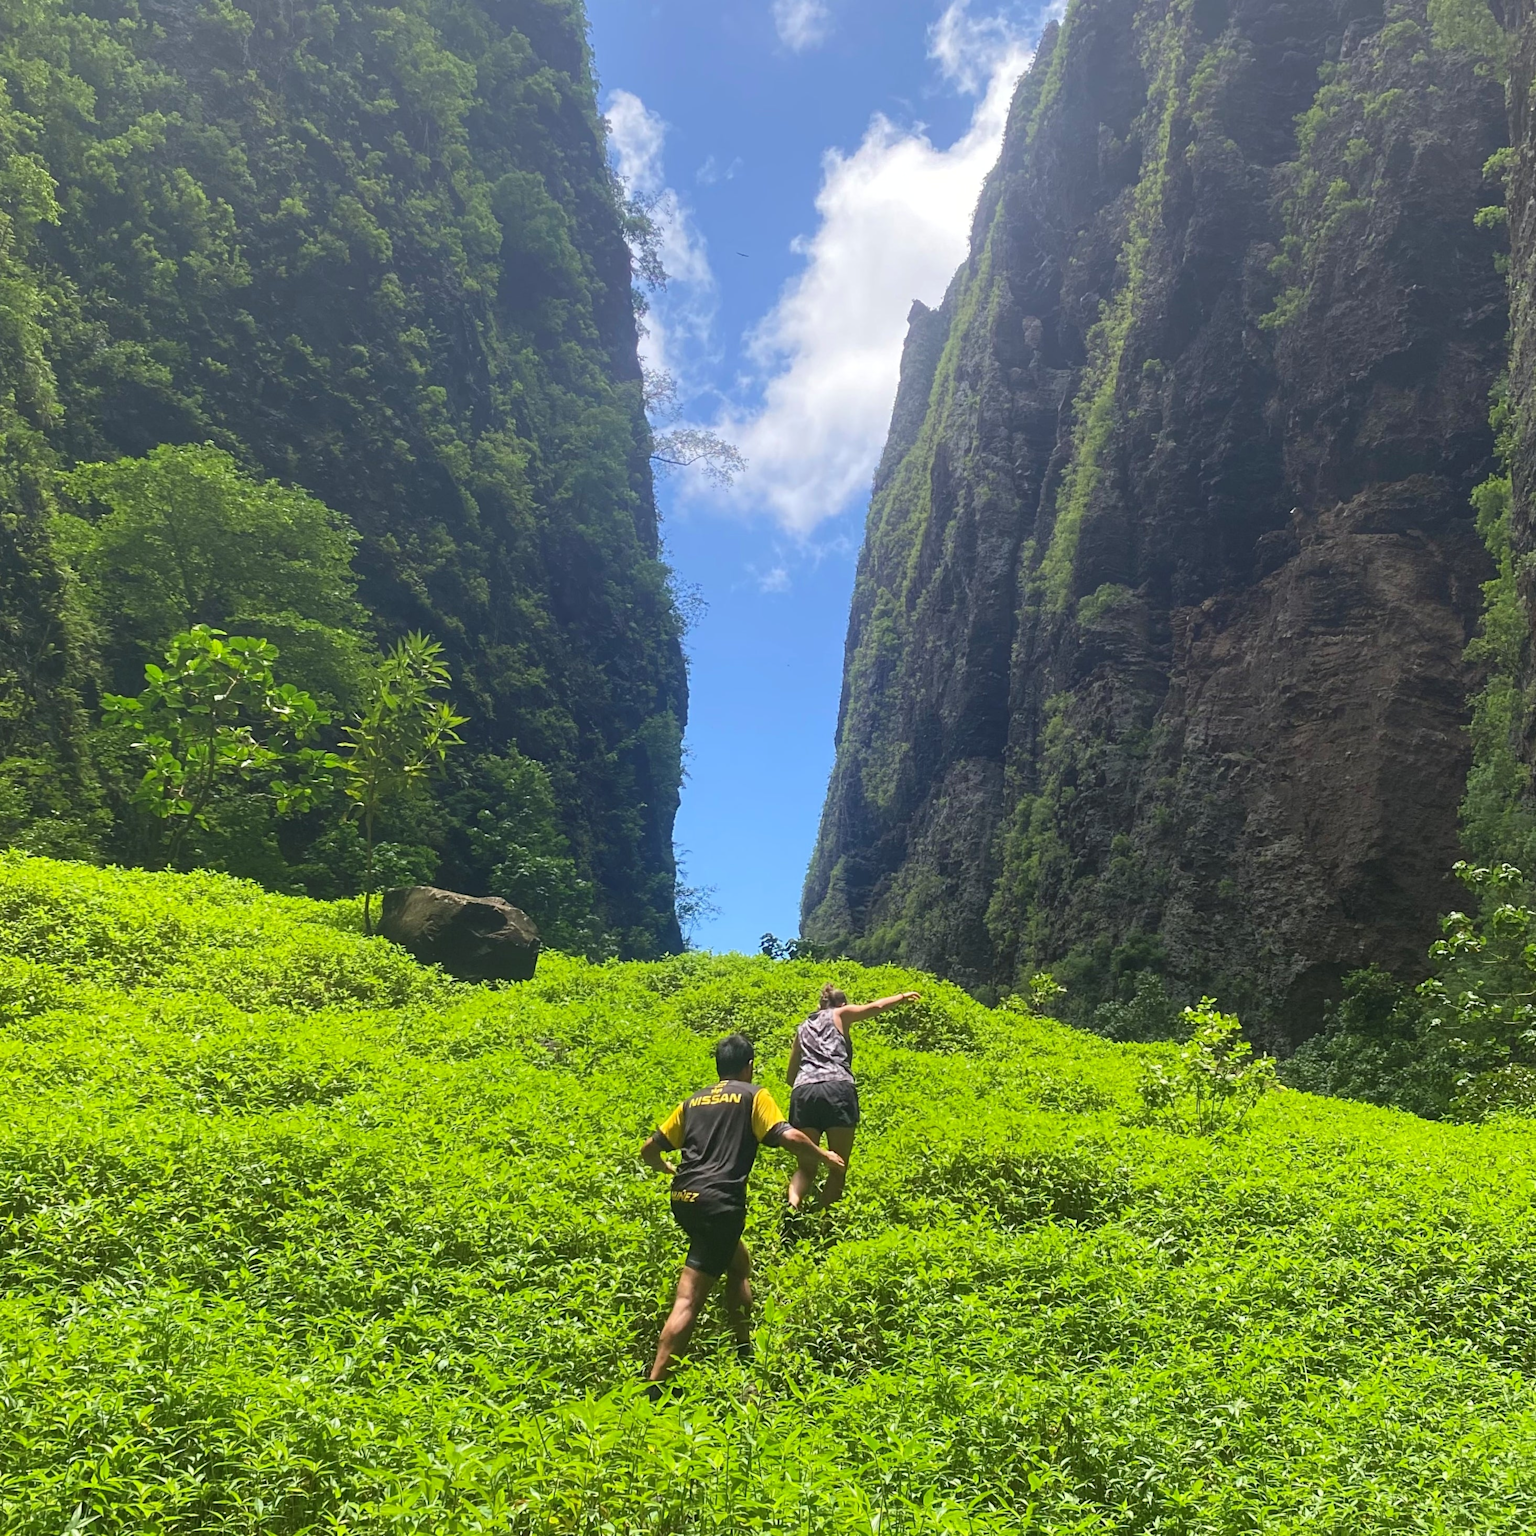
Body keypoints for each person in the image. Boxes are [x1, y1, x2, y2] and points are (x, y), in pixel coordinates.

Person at [640, 1031, 844, 1393]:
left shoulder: (693, 1101)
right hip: (720, 1203)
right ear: (749, 1066)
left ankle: (743, 1347)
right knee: (689, 1296)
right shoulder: (754, 1095)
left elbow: (649, 1150)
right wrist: (825, 1156)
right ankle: (654, 1388)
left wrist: (669, 1170)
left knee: (738, 1264)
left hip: (683, 1200)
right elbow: (790, 1137)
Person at [785, 983, 920, 1211]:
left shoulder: (803, 1027)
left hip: (803, 1092)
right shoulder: (841, 1013)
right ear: (842, 1004)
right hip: (837, 1089)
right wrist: (902, 996)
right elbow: (875, 1006)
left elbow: (790, 1075)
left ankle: (793, 1203)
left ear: (820, 1005)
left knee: (806, 1166)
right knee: (838, 1165)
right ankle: (826, 1227)